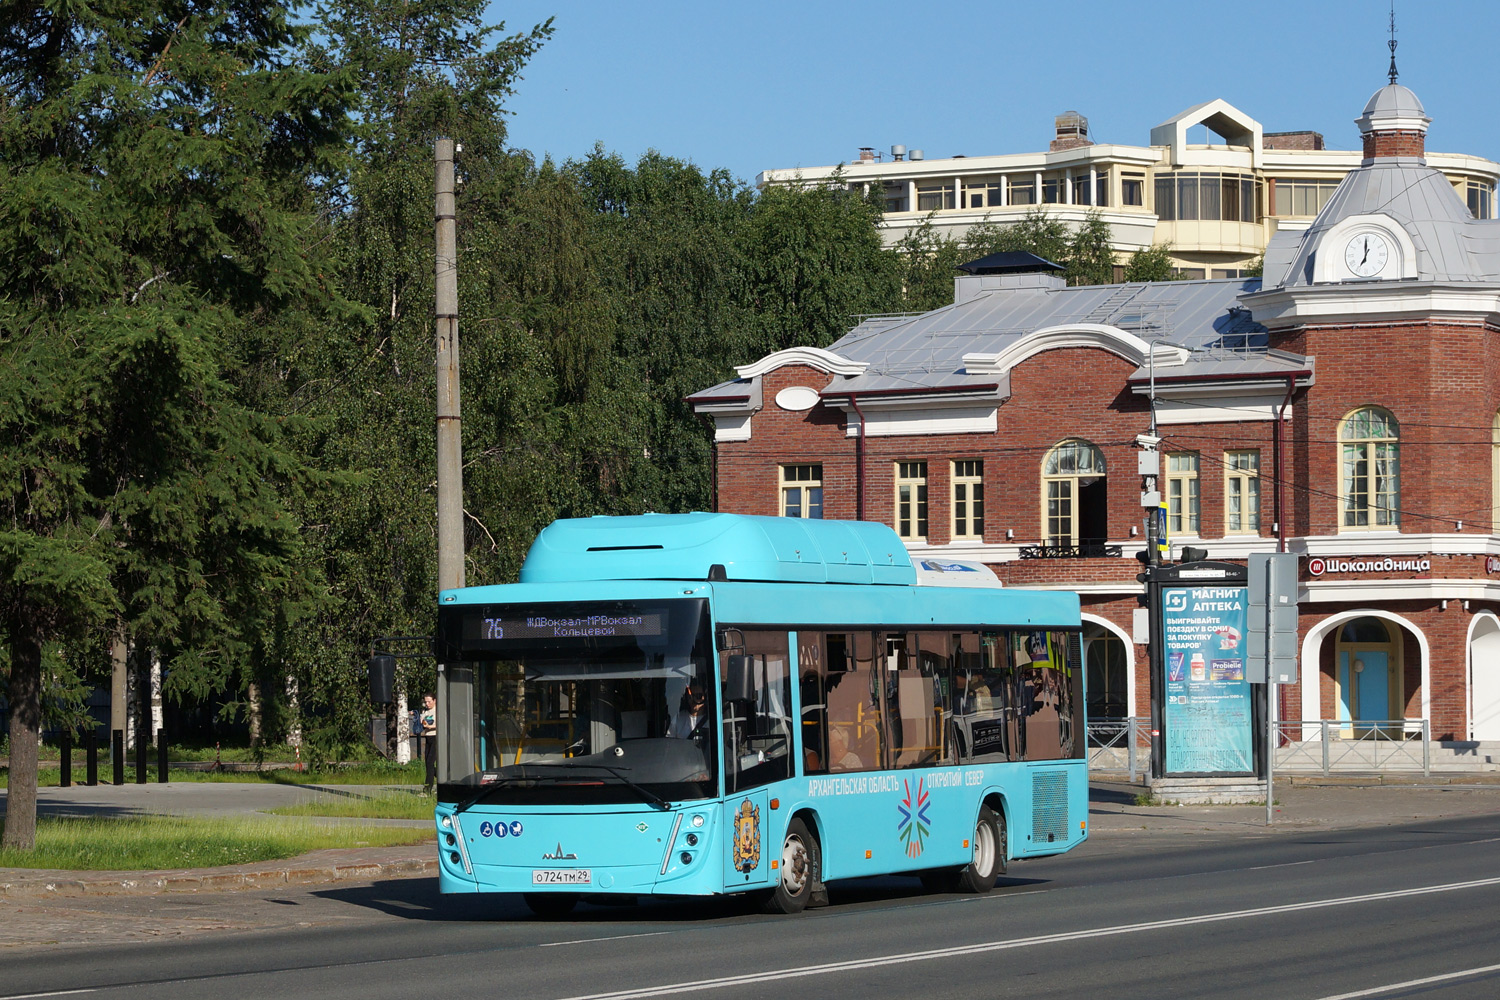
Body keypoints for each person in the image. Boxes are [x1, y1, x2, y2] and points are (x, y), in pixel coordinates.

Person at [420, 693, 437, 791]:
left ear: (434, 701)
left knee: (430, 762)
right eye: (425, 702)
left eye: (429, 701)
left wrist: (430, 726)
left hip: (435, 737)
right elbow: (423, 722)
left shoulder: (437, 711)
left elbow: (441, 724)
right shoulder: (425, 711)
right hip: (428, 737)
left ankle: (427, 789)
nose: (427, 704)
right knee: (427, 763)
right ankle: (443, 776)